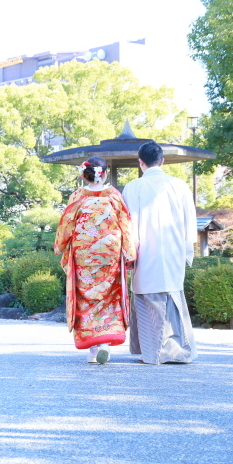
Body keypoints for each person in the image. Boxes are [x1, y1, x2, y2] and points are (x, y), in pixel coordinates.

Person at [54, 156, 136, 365]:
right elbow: (125, 223)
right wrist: (129, 252)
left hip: (84, 256)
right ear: (105, 173)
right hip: (109, 253)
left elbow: (66, 224)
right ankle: (105, 345)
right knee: (109, 295)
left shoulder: (78, 197)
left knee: (86, 297)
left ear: (84, 175)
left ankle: (92, 350)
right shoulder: (113, 196)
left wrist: (61, 247)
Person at [122, 142, 198, 364]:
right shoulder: (179, 185)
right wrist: (186, 248)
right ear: (162, 161)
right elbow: (190, 222)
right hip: (173, 249)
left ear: (140, 162)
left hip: (144, 251)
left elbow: (126, 226)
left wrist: (128, 254)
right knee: (173, 298)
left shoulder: (133, 187)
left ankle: (150, 352)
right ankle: (177, 351)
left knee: (147, 300)